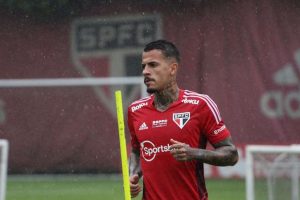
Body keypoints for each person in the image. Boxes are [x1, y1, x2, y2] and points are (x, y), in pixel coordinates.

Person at [127, 40, 239, 200]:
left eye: (153, 65)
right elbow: (137, 152)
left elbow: (231, 154)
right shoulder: (135, 110)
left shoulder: (200, 105)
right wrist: (133, 175)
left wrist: (194, 153)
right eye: (143, 66)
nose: (145, 71)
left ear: (173, 68)